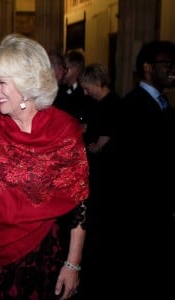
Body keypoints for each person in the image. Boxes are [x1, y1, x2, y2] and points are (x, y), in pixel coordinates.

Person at [0, 33, 90, 300]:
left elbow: (79, 201)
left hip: (39, 256)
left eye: (1, 83)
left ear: (27, 85)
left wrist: (73, 264)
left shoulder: (64, 131)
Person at [114, 40, 175, 299]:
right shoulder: (132, 107)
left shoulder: (165, 105)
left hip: (161, 211)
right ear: (148, 67)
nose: (173, 69)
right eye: (167, 64)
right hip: (141, 216)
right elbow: (131, 167)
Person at [77, 63, 121, 299]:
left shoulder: (114, 104)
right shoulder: (96, 104)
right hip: (96, 169)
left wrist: (93, 145)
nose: (85, 92)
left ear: (97, 82)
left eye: (87, 87)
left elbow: (106, 136)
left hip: (107, 169)